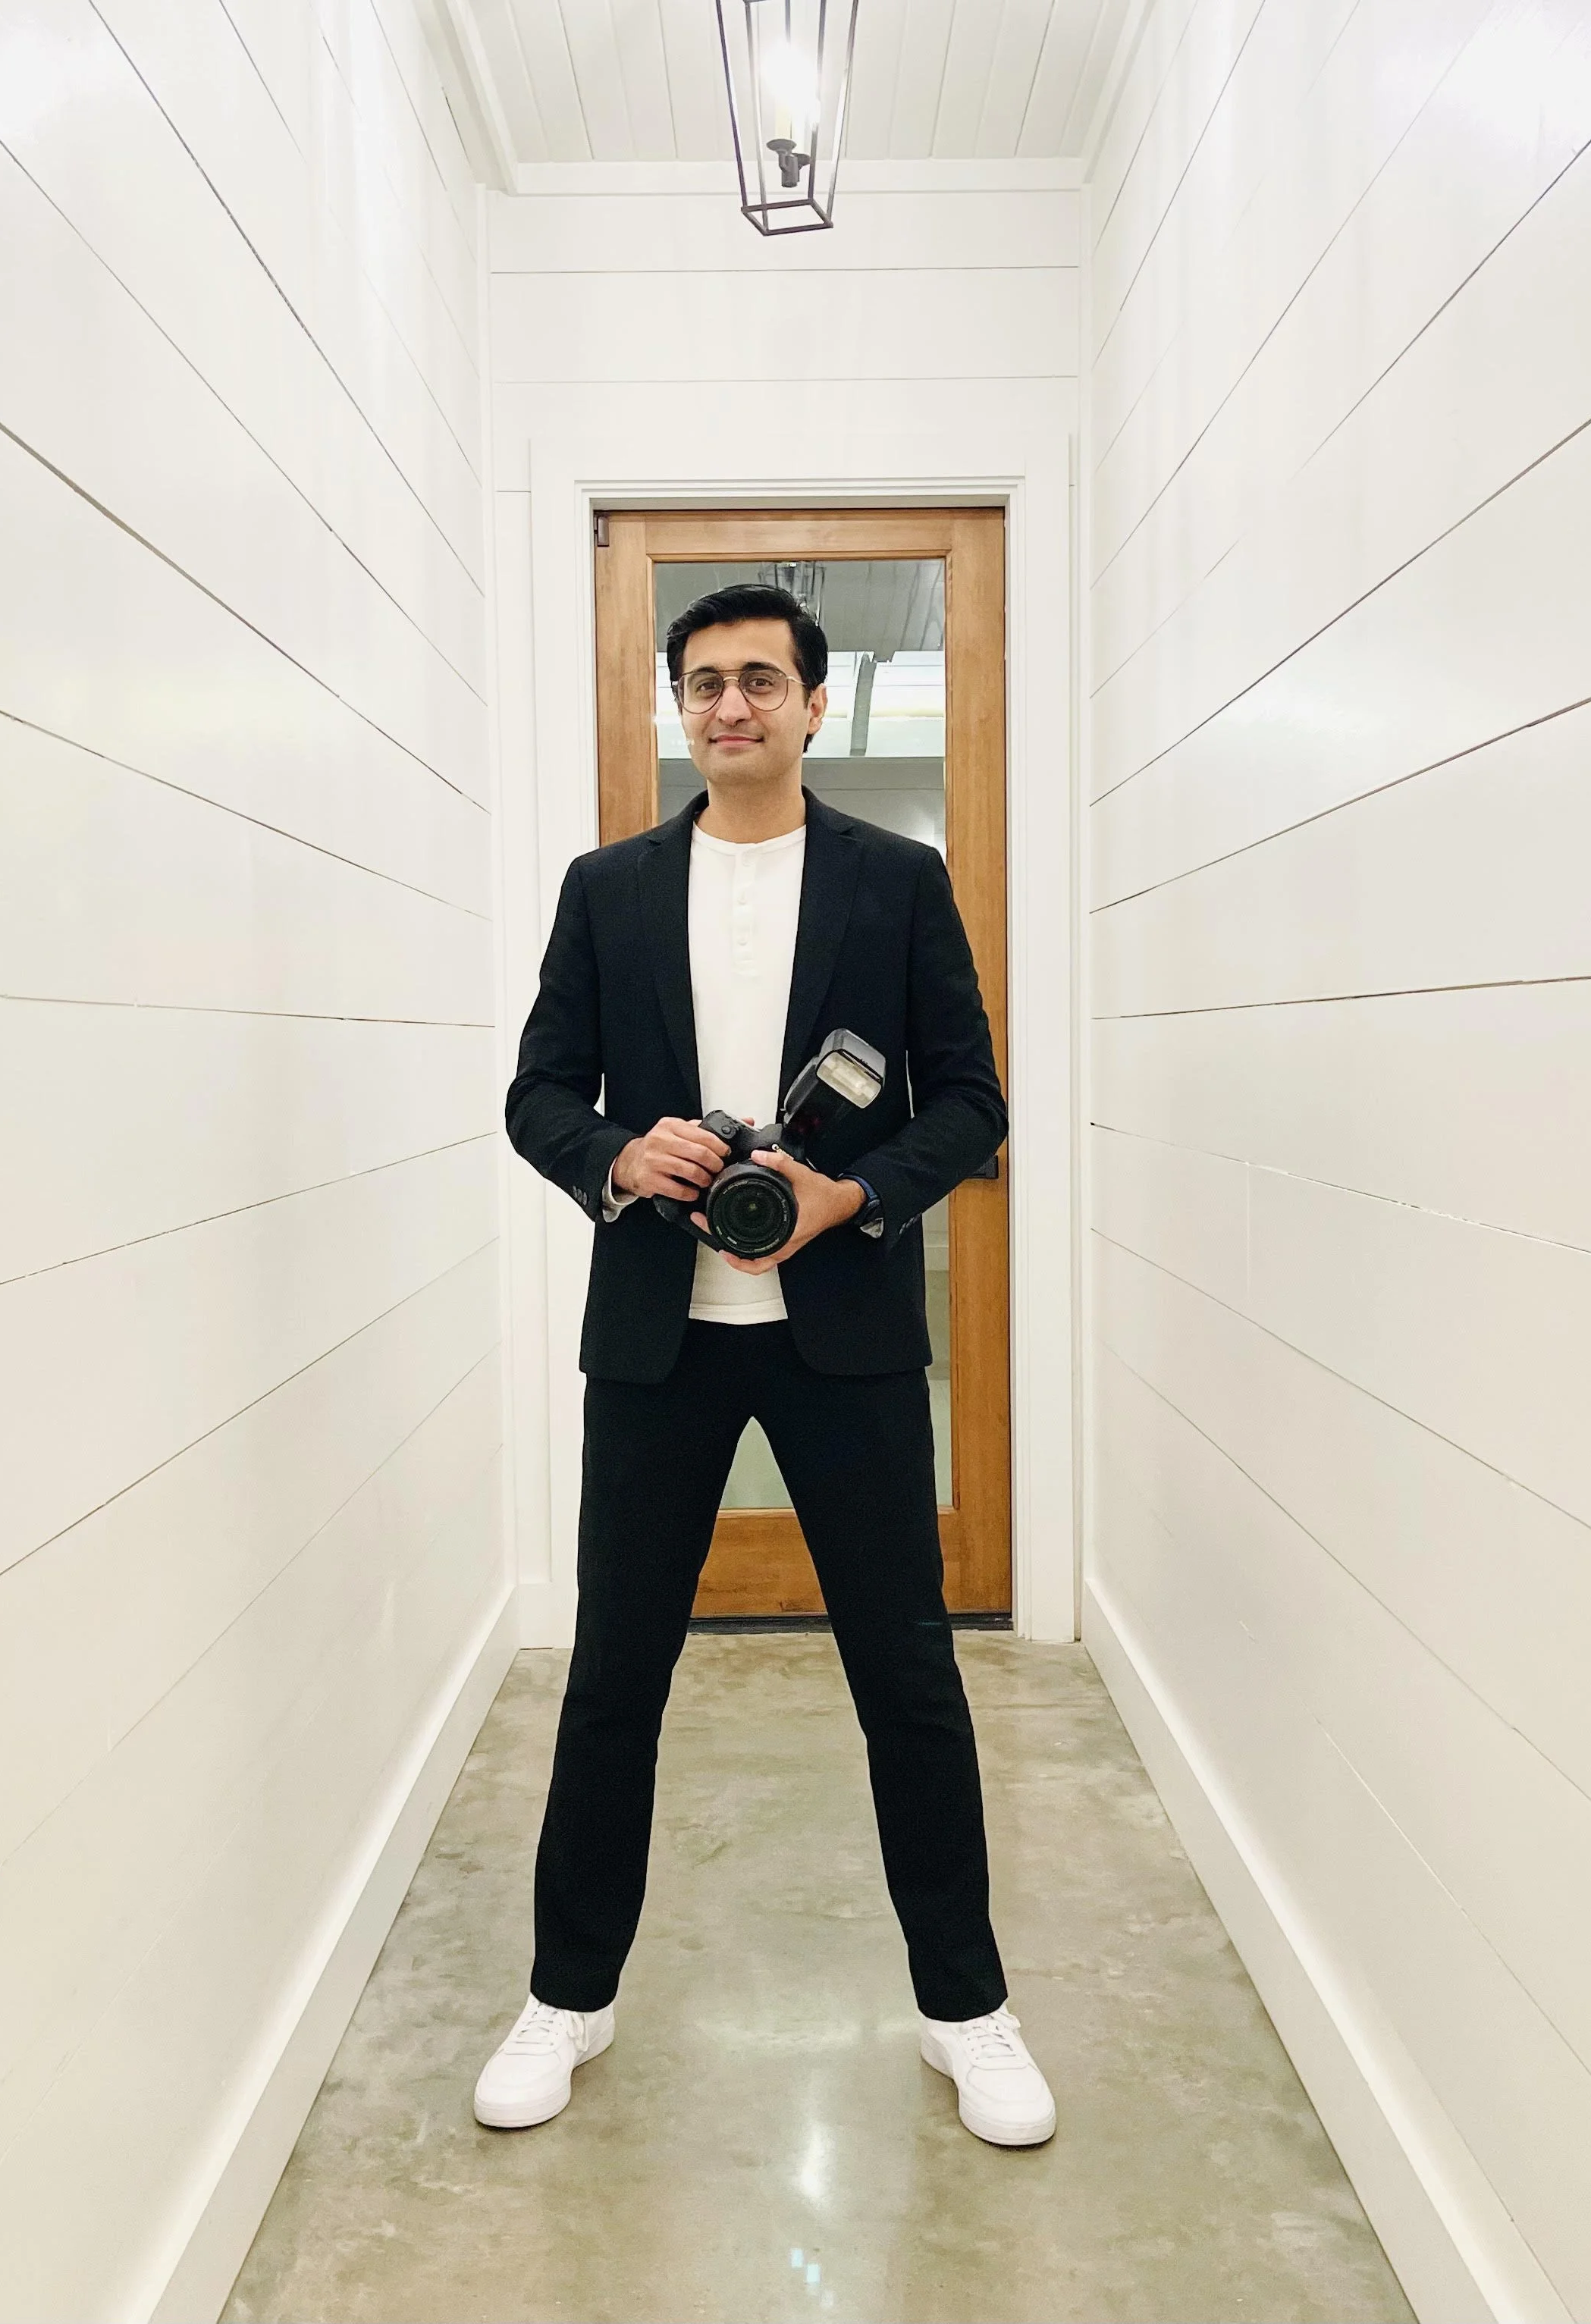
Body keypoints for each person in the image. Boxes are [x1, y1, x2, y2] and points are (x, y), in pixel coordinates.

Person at [477, 583, 1055, 2148]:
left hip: (846, 1337)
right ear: (683, 710)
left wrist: (847, 1194)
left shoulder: (897, 880)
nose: (729, 707)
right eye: (704, 684)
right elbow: (535, 1092)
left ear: (811, 705)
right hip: (660, 1338)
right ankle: (565, 1990)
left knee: (908, 1679)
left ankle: (964, 2004)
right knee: (613, 1681)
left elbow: (971, 1102)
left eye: (758, 682)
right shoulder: (607, 887)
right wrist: (618, 1150)